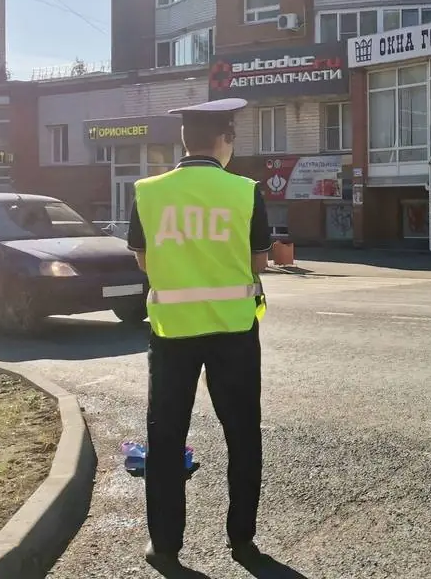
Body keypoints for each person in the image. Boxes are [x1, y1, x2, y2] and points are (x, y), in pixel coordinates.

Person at [126, 97, 273, 569]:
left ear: (184, 141)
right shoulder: (245, 192)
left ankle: (165, 545)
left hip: (172, 333)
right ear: (225, 140)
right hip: (233, 330)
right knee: (243, 435)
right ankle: (242, 540)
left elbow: (143, 260)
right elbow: (259, 262)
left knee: (166, 437)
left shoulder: (147, 192)